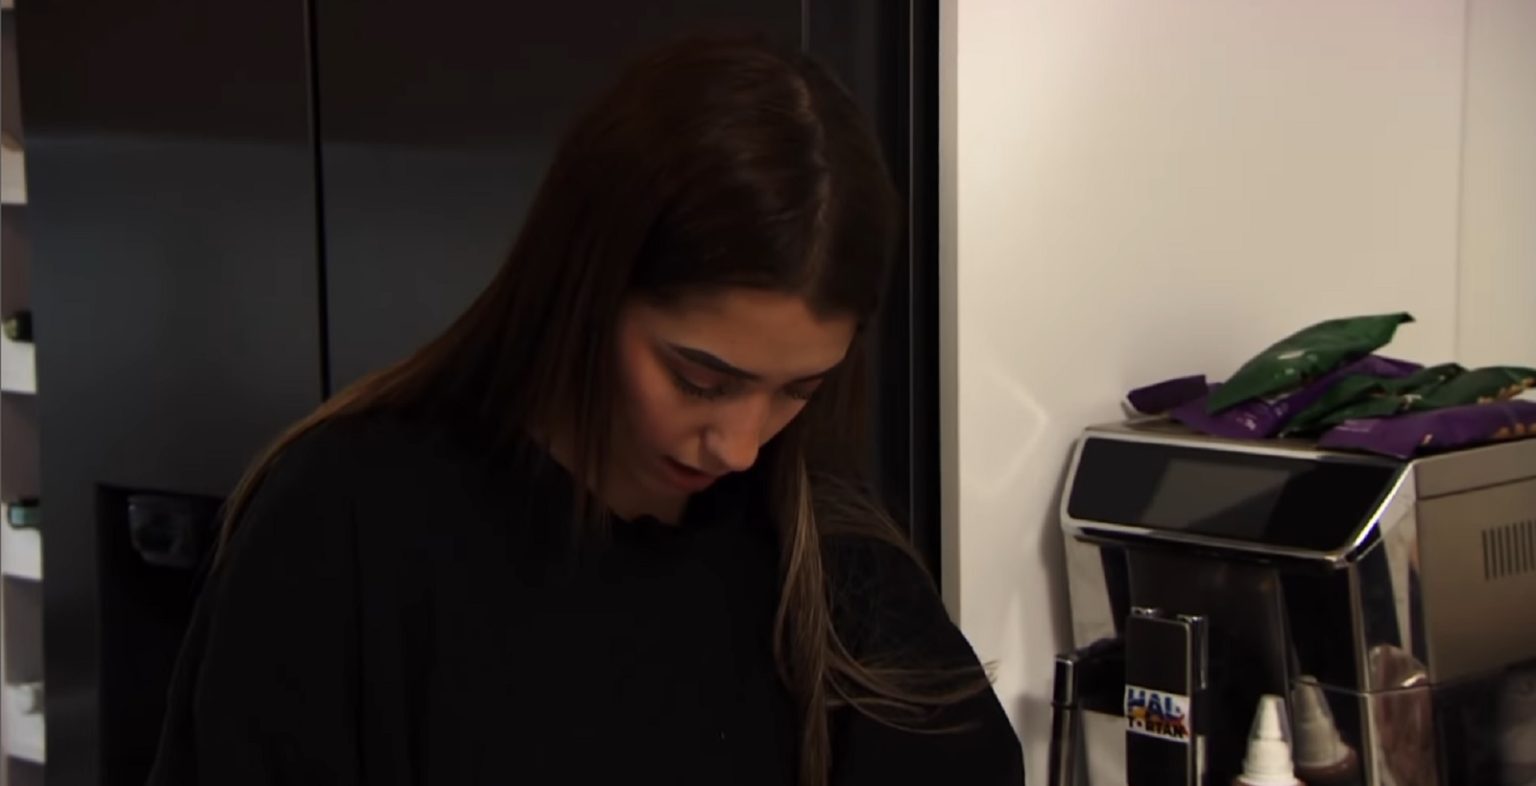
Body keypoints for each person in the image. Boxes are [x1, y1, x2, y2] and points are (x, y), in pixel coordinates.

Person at [148, 35, 1024, 786]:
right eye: (700, 379)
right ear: (582, 289)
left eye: (799, 390)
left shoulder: (830, 559)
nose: (740, 447)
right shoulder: (344, 522)